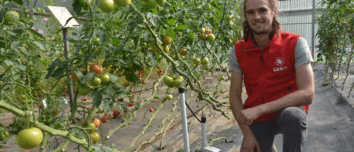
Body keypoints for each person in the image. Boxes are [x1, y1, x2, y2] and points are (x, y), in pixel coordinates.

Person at [228, 0, 315, 152]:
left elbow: (308, 93)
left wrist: (261, 109)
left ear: (273, 11)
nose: (256, 17)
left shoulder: (295, 43)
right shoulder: (238, 50)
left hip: (286, 111)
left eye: (262, 10)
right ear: (246, 17)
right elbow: (234, 95)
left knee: (294, 116)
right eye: (250, 12)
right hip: (258, 119)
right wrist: (247, 134)